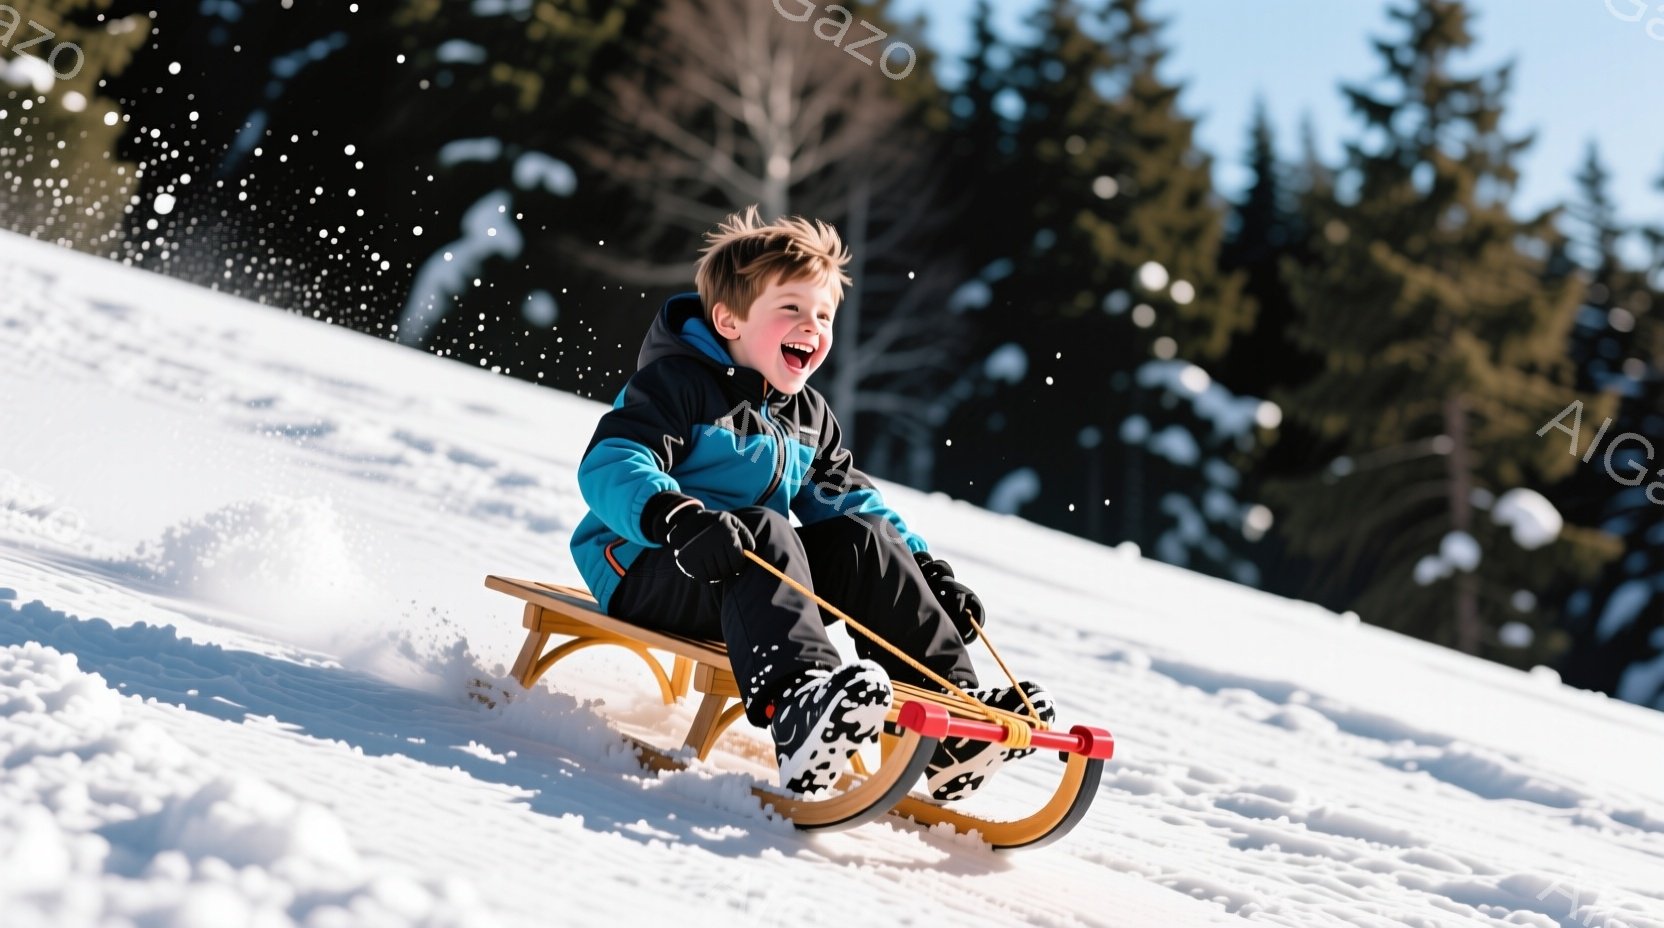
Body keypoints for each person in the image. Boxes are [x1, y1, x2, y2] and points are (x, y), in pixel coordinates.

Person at [569, 206, 1053, 798]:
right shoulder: (675, 384)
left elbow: (853, 505)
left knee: (862, 542)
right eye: (791, 309)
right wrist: (674, 518)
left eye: (823, 314)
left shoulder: (806, 416)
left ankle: (952, 724)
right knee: (764, 529)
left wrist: (924, 574)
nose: (813, 327)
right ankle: (802, 711)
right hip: (648, 566)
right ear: (729, 320)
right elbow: (611, 464)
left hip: (748, 583)